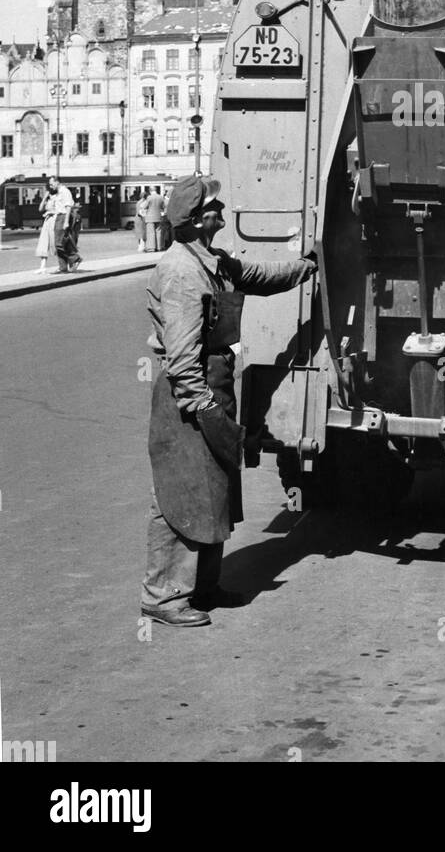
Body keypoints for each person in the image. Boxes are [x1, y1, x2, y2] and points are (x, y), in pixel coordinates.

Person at [140, 174, 317, 628]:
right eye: (215, 206)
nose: (223, 210)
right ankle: (163, 598)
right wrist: (201, 406)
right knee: (178, 495)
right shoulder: (182, 271)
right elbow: (180, 356)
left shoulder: (212, 261)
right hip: (191, 393)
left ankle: (203, 587)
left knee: (214, 490)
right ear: (199, 221)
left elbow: (257, 276)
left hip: (214, 386)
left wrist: (307, 265)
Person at [48, 175, 80, 273]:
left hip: (63, 217)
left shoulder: (65, 191)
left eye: (51, 183)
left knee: (59, 243)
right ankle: (63, 267)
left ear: (57, 182)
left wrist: (66, 221)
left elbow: (68, 207)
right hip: (59, 217)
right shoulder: (58, 193)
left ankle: (75, 258)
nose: (50, 186)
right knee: (60, 243)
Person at [35, 181, 55, 274]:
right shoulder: (47, 199)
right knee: (43, 243)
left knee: (55, 244)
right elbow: (40, 209)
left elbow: (61, 210)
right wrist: (44, 198)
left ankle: (67, 264)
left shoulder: (57, 198)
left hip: (54, 222)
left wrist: (51, 212)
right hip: (47, 222)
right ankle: (42, 266)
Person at [143, 186, 166, 251]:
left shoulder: (149, 198)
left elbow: (144, 206)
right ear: (156, 190)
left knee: (151, 232)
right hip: (158, 217)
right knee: (159, 232)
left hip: (150, 218)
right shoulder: (160, 197)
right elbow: (163, 206)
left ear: (150, 191)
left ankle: (151, 247)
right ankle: (159, 247)